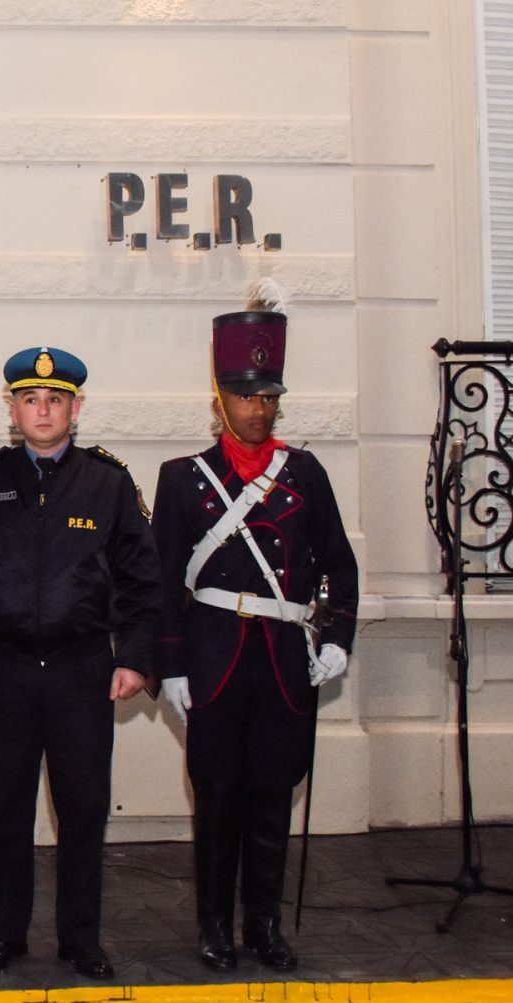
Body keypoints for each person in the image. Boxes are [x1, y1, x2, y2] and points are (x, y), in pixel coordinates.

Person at [151, 292, 358, 974]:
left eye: (268, 396)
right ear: (220, 401)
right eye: (245, 396)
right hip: (213, 660)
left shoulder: (305, 473)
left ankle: (263, 924)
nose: (258, 409)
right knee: (216, 800)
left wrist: (337, 638)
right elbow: (163, 581)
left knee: (273, 795)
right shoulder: (183, 479)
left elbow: (340, 563)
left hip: (282, 665)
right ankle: (214, 925)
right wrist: (171, 665)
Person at [0, 347, 160, 982]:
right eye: (30, 399)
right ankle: (4, 935)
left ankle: (80, 939)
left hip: (81, 667)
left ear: (75, 408)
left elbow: (140, 578)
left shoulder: (107, 484)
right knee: (7, 807)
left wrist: (134, 657)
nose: (43, 410)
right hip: (6, 666)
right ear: (12, 409)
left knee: (83, 807)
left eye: (55, 399)